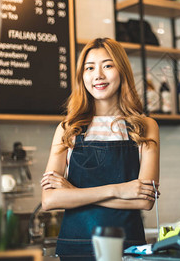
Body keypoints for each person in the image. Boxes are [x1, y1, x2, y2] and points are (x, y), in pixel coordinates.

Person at [41, 37, 160, 258]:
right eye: (89, 68)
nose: (98, 75)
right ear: (82, 76)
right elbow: (50, 200)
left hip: (128, 248)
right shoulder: (68, 129)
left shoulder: (145, 127)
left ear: (122, 71)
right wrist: (119, 190)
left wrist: (73, 194)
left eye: (107, 65)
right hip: (75, 248)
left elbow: (144, 201)